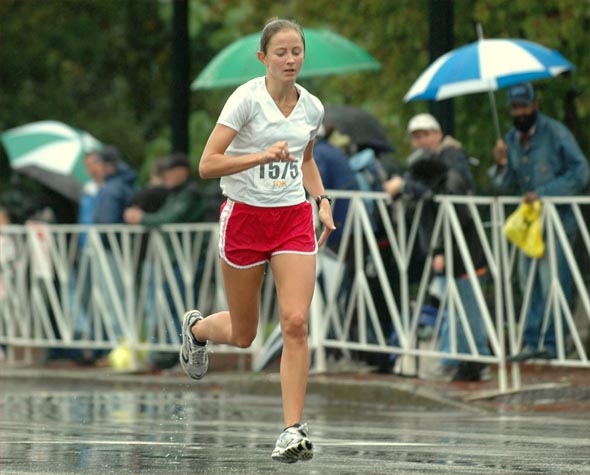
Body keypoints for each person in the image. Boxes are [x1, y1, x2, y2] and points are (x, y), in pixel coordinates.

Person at [178, 18, 335, 464]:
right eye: (281, 53)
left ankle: (292, 430)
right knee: (245, 333)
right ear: (263, 58)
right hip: (245, 219)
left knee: (295, 322)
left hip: (291, 220)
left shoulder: (313, 108)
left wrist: (320, 199)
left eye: (297, 52)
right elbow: (207, 165)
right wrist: (260, 156)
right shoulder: (245, 100)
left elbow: (306, 160)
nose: (290, 60)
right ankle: (197, 329)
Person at [384, 113, 491, 382]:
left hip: (463, 244)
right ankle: (456, 357)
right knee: (452, 302)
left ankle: (474, 358)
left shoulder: (451, 158)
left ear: (437, 134)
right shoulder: (424, 162)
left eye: (424, 134)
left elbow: (446, 196)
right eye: (415, 136)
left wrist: (406, 185)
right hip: (446, 243)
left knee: (467, 301)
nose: (420, 141)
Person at [491, 82, 589, 362]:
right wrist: (500, 164)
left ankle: (554, 343)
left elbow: (581, 172)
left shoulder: (556, 132)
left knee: (553, 281)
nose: (519, 112)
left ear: (535, 106)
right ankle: (532, 341)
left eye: (524, 106)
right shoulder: (511, 138)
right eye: (514, 107)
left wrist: (545, 194)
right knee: (527, 281)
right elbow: (503, 183)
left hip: (558, 220)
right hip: (529, 224)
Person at [124, 153, 207, 368]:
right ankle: (174, 351)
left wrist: (142, 218)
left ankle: (186, 353)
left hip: (188, 258)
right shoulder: (175, 193)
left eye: (170, 171)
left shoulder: (189, 194)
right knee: (172, 305)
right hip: (175, 259)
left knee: (185, 307)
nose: (166, 176)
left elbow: (168, 218)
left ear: (182, 171)